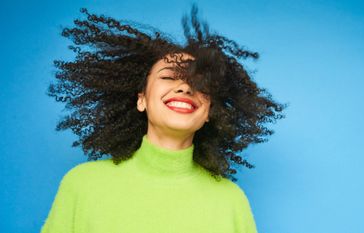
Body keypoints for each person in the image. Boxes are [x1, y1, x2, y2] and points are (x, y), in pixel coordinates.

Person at [41, 4, 287, 233]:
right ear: (142, 99)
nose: (184, 88)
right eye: (169, 77)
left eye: (199, 84)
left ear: (210, 113)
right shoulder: (82, 184)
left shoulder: (231, 200)